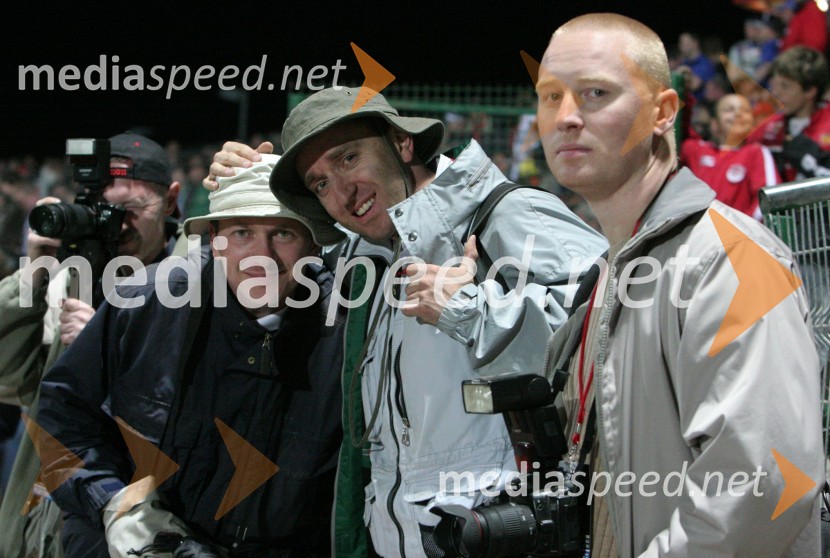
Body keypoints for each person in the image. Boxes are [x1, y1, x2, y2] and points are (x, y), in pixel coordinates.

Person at [208, 88, 607, 557]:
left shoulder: (507, 212)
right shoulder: (370, 255)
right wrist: (239, 189)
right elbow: (258, 279)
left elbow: (615, 329)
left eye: (348, 157)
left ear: (402, 143)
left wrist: (472, 311)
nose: (341, 192)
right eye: (319, 184)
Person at [537, 13, 822, 557]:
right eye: (551, 96)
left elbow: (766, 486)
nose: (566, 117)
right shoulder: (609, 273)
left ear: (663, 112)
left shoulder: (734, 258)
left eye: (596, 93)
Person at [36, 154, 346, 557]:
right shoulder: (145, 303)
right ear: (213, 240)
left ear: (314, 244)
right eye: (241, 233)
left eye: (284, 234)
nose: (261, 257)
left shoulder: (346, 330)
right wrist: (114, 505)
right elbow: (62, 418)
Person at [0, 132, 181, 558]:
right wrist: (34, 273)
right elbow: (8, 376)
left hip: (129, 529)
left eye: (133, 209)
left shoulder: (191, 290)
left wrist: (105, 358)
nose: (117, 224)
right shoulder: (69, 282)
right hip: (40, 529)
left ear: (171, 202)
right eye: (103, 209)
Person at [680, 93, 780, 219]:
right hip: (697, 232)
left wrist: (743, 230)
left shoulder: (756, 152)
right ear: (714, 123)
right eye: (729, 110)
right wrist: (686, 92)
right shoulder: (696, 150)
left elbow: (768, 198)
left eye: (746, 110)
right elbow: (676, 129)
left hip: (738, 234)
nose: (738, 114)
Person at [748, 45, 830, 181]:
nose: (775, 93)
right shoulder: (766, 128)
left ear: (810, 91)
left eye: (785, 86)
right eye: (774, 84)